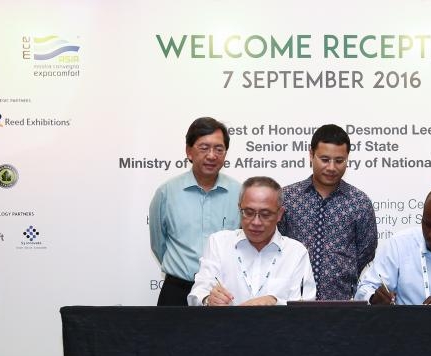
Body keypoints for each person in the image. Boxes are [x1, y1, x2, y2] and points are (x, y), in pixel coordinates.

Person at [149, 117, 242, 305]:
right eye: (204, 147)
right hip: (177, 291)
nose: (212, 155)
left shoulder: (240, 193)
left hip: (223, 295)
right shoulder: (167, 192)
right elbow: (159, 244)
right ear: (189, 151)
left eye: (219, 149)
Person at [279, 124, 377, 300]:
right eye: (324, 159)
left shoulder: (359, 202)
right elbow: (277, 246)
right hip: (292, 301)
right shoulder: (287, 198)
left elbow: (366, 252)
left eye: (339, 161)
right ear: (311, 155)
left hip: (342, 304)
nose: (332, 167)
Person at [188, 177, 316, 306]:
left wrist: (276, 302)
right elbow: (198, 292)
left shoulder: (296, 252)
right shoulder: (219, 243)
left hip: (279, 326)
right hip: (225, 324)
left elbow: (306, 304)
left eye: (265, 214)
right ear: (239, 208)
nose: (256, 222)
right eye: (248, 213)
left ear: (279, 214)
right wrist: (208, 299)